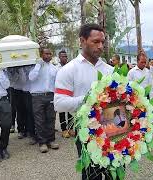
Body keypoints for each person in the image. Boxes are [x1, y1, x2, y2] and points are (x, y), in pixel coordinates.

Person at [54, 24, 114, 180]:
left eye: (103, 42)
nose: (100, 46)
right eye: (95, 42)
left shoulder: (109, 70)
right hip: (86, 130)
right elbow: (59, 103)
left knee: (113, 171)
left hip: (113, 127)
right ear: (82, 41)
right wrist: (89, 100)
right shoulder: (69, 70)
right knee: (91, 174)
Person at [29, 48, 59, 153]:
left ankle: (51, 140)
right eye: (46, 54)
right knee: (39, 120)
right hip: (37, 96)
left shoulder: (54, 68)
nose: (48, 55)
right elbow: (31, 78)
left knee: (51, 118)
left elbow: (57, 83)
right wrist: (38, 65)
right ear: (41, 55)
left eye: (50, 53)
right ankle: (42, 142)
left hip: (51, 95)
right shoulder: (34, 66)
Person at [57, 50, 73, 138]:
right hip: (61, 92)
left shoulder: (70, 66)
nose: (64, 58)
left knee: (70, 111)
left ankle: (71, 128)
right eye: (62, 56)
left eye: (66, 56)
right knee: (62, 111)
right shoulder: (56, 67)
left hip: (70, 91)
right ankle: (64, 130)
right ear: (59, 57)